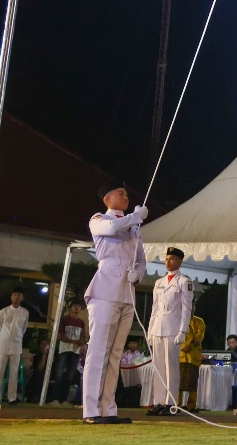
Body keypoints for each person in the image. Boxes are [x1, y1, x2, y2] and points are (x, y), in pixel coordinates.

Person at [82, 182, 147, 424]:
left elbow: (141, 259)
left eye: (127, 194)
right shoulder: (99, 219)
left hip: (126, 292)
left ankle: (108, 408)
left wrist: (138, 274)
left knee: (115, 354)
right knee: (98, 350)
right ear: (107, 199)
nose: (126, 197)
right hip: (105, 290)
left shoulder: (133, 226)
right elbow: (110, 229)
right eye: (121, 193)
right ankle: (91, 410)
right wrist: (135, 217)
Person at [145, 246, 193, 415]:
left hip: (173, 329)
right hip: (158, 327)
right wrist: (150, 330)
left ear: (179, 261)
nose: (168, 261)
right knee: (158, 367)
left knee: (171, 367)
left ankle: (170, 402)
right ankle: (158, 401)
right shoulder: (159, 282)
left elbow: (187, 309)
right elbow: (155, 308)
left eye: (172, 259)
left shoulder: (184, 282)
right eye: (166, 259)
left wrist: (183, 331)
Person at [0, 287, 29, 404]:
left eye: (19, 295)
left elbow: (23, 329)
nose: (16, 297)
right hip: (2, 345)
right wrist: (1, 340)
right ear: (11, 297)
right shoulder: (3, 311)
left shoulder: (25, 312)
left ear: (22, 298)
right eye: (14, 294)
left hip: (16, 346)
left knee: (14, 373)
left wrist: (17, 338)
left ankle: (12, 398)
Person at [50, 301, 87, 405]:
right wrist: (74, 341)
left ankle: (65, 399)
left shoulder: (81, 322)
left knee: (70, 376)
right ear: (71, 307)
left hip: (75, 351)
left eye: (78, 306)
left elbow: (83, 336)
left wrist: (81, 341)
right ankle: (56, 398)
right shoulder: (64, 320)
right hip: (64, 350)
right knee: (60, 375)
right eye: (75, 306)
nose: (76, 308)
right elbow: (60, 336)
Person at [180, 311, 205, 410]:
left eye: (192, 305)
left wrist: (190, 346)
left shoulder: (199, 321)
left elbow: (199, 337)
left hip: (193, 357)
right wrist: (183, 346)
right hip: (180, 356)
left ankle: (191, 406)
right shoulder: (178, 320)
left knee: (193, 382)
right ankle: (176, 405)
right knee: (178, 382)